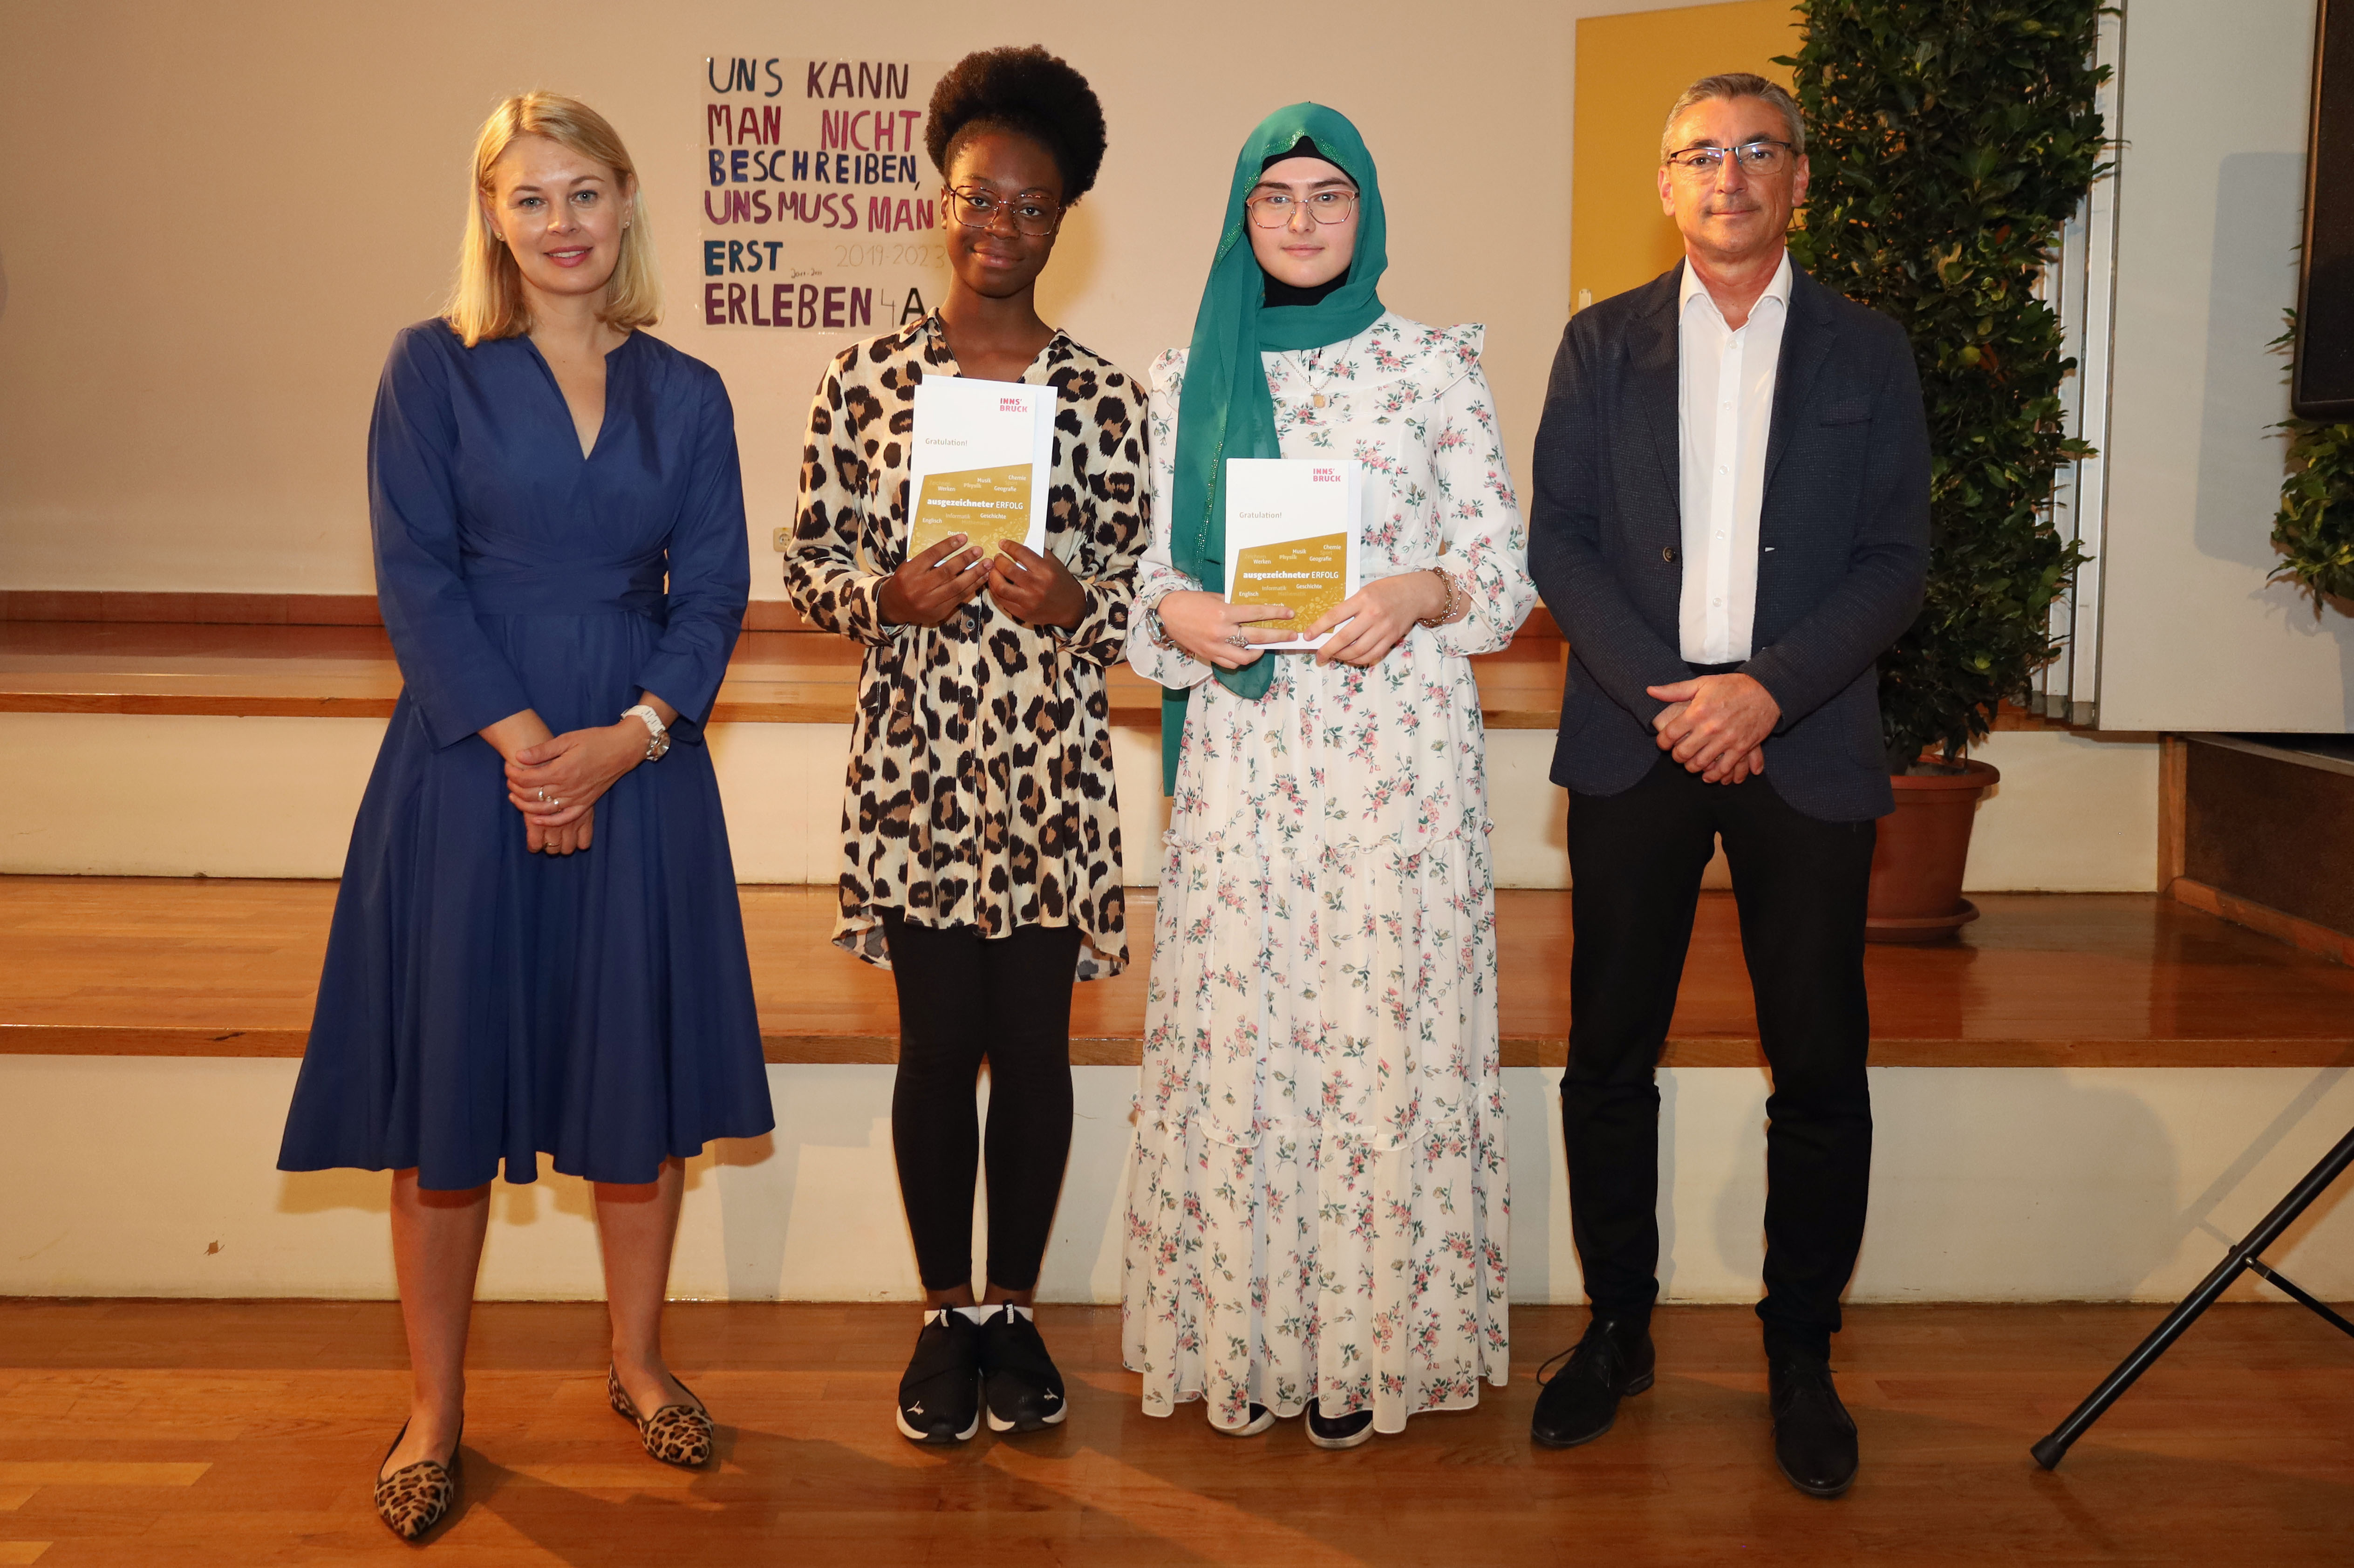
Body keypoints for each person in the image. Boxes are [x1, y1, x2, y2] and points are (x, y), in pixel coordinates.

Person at [276, 92, 773, 1539]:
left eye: (586, 193)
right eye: (531, 197)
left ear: (627, 206)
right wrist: (525, 749)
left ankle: (639, 1360)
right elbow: (414, 575)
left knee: (636, 1090)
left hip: (642, 762)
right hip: (465, 763)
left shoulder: (688, 390)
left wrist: (621, 742)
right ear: (493, 216)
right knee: (450, 1103)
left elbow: (720, 594)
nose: (562, 224)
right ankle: (436, 1409)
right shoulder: (428, 370)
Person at [1524, 73, 1931, 1498]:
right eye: (1704, 153)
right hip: (1639, 736)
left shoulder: (1868, 353)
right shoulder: (1599, 347)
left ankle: (1800, 1351)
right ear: (1667, 184)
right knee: (1608, 1055)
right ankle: (1618, 1329)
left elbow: (1897, 560)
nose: (1732, 176)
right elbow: (1560, 544)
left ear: (1799, 181)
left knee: (1818, 1065)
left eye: (1761, 153)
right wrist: (1677, 701)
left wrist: (1766, 691)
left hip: (1802, 738)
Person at [1120, 103, 1533, 1451]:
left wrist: (1416, 587)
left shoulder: (1435, 366)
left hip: (1394, 776)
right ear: (1243, 217)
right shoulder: (1189, 372)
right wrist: (1177, 612)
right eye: (1276, 197)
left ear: (1368, 214)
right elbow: (1146, 580)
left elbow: (1503, 575)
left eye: (1329, 195)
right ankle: (1249, 1337)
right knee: (1254, 1043)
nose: (1301, 220)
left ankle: (1367, 1345)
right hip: (1246, 763)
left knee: (1377, 1046)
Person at [785, 45, 1144, 1448]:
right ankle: (945, 1313)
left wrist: (1079, 604)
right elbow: (809, 557)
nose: (999, 227)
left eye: (1032, 207)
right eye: (977, 199)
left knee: (1038, 1055)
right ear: (940, 201)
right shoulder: (864, 378)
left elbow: (1138, 583)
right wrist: (883, 595)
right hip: (919, 766)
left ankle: (1015, 1309)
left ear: (1066, 221)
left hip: (1053, 761)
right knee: (938, 1051)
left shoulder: (1106, 399)